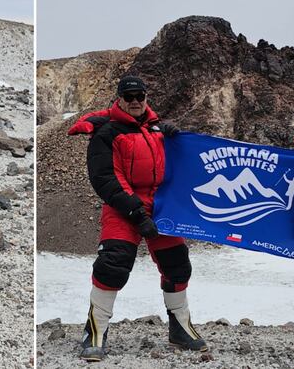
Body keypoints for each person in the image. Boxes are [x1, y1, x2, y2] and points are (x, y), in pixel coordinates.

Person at [68, 75, 207, 362]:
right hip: (123, 207)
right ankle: (95, 332)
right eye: (128, 96)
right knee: (113, 265)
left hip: (161, 208)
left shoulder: (158, 130)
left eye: (139, 96)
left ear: (146, 98)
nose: (134, 101)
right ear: (118, 98)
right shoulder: (106, 133)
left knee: (178, 265)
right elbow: (105, 178)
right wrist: (136, 212)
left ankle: (180, 329)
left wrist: (174, 139)